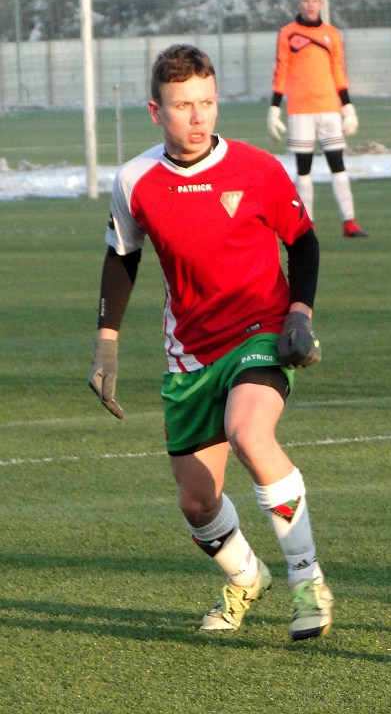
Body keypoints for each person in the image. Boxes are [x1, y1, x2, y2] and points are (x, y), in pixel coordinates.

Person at [88, 43, 334, 642]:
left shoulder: (257, 169)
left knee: (251, 434)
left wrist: (299, 314)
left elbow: (303, 241)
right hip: (190, 352)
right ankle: (247, 577)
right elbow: (122, 255)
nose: (198, 117)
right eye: (182, 105)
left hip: (260, 332)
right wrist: (106, 345)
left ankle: (307, 580)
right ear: (156, 111)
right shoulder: (136, 180)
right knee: (197, 503)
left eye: (207, 102)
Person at [268, 0, 368, 238]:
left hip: (329, 109)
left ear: (321, 4)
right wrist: (274, 109)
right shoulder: (288, 33)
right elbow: (281, 70)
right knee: (303, 169)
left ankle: (349, 222)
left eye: (314, 1)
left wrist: (348, 107)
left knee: (338, 164)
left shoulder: (331, 34)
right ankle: (306, 225)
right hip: (300, 110)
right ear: (299, 3)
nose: (310, 6)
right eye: (306, 1)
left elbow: (338, 70)